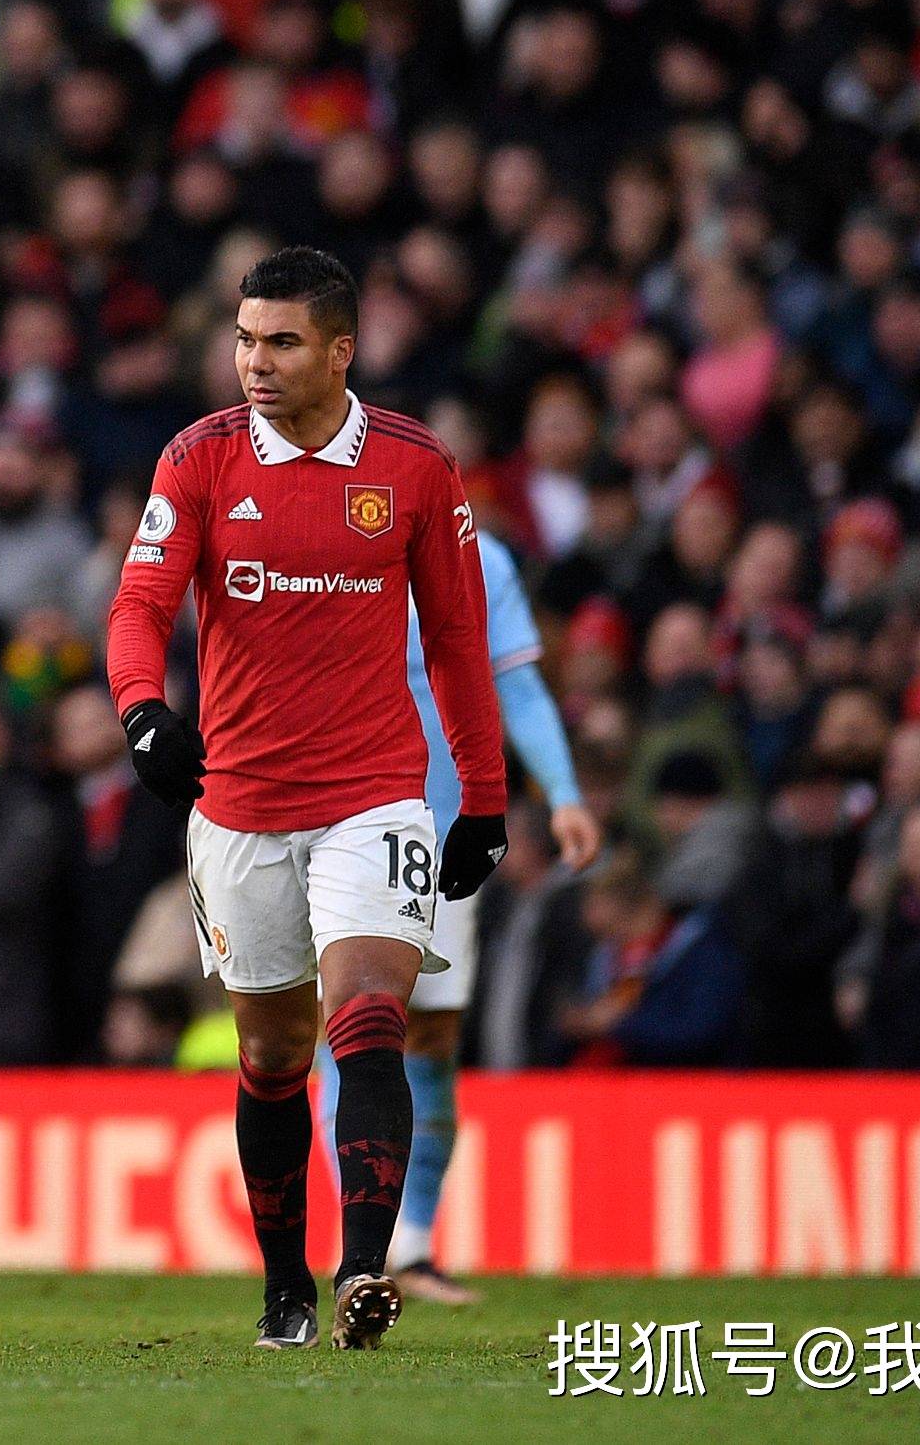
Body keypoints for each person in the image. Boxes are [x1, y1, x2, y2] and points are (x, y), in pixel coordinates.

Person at [104, 247, 505, 1353]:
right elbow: (136, 609)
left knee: (370, 1017)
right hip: (237, 808)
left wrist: (482, 796)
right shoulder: (197, 459)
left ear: (341, 350)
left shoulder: (418, 469)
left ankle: (363, 1274)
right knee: (274, 1053)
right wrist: (143, 712)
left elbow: (462, 645)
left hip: (374, 799)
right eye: (243, 340)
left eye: (280, 342)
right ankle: (283, 1278)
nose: (254, 363)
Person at [376, 488, 600, 1307]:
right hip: (322, 823)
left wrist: (565, 790)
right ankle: (359, 1240)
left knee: (427, 1038)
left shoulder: (481, 560)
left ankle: (413, 1246)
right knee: (343, 1029)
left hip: (437, 835)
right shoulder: (313, 544)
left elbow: (519, 685)